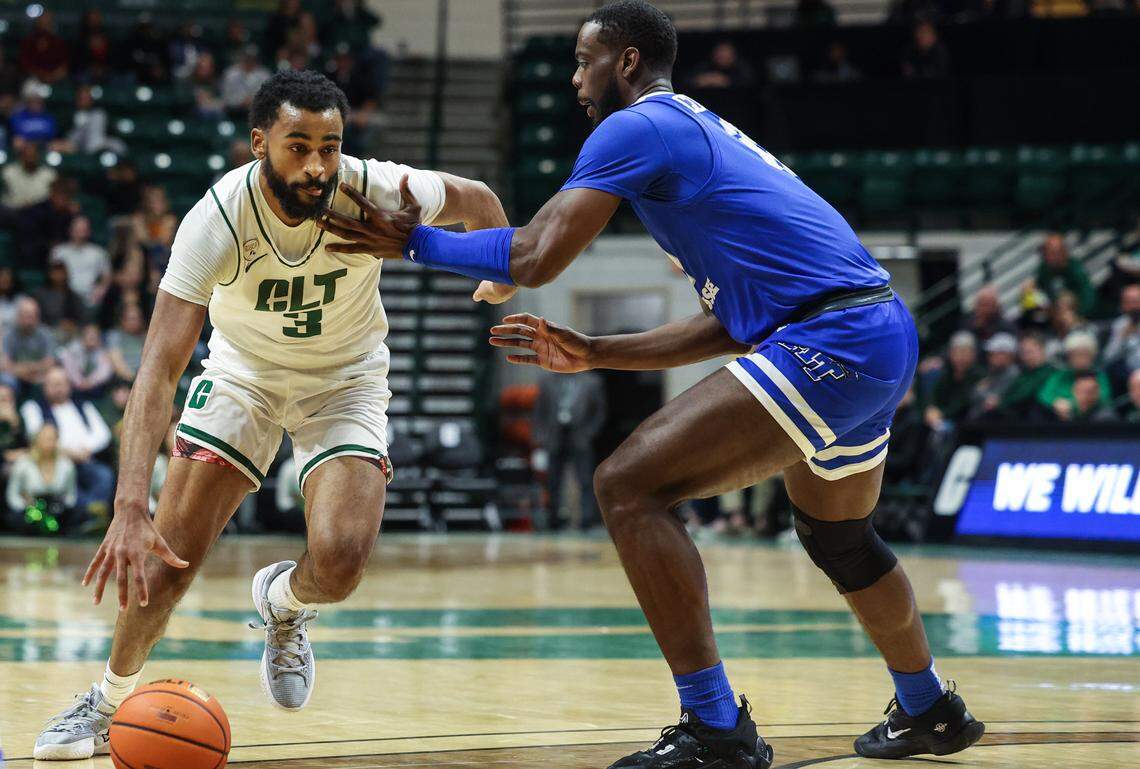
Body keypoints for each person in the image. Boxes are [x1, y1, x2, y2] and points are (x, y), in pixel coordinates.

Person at [336, 3, 983, 765]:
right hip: (873, 331)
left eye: (585, 61)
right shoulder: (688, 133)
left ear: (629, 61)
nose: (576, 79)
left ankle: (715, 729)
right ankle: (928, 704)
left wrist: (414, 241)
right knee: (839, 536)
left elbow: (537, 254)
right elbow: (738, 326)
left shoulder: (635, 128)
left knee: (628, 485)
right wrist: (595, 350)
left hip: (830, 338)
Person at [34, 69, 510, 760]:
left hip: (344, 379)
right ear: (260, 143)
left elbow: (480, 198)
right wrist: (129, 503)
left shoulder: (373, 187)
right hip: (243, 377)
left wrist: (496, 273)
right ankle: (106, 701)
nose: (317, 164)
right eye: (298, 146)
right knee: (166, 565)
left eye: (330, 145)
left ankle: (283, 603)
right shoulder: (217, 218)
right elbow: (158, 369)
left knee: (342, 562)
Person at [20, 366, 115, 518]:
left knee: (104, 475)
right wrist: (67, 452)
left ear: (69, 385)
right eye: (54, 384)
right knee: (68, 479)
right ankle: (88, 516)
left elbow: (103, 434)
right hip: (55, 461)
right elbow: (36, 435)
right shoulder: (33, 407)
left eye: (62, 383)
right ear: (44, 386)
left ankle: (91, 517)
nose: (58, 388)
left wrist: (86, 450)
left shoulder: (83, 406)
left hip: (85, 458)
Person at [533, 370, 607, 529]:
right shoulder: (546, 380)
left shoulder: (592, 381)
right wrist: (541, 437)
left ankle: (586, 519)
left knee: (585, 480)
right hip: (555, 436)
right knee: (553, 481)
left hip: (580, 436)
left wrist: (589, 433)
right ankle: (553, 519)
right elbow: (540, 411)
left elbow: (599, 412)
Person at [6, 424, 77, 532]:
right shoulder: (23, 463)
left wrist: (62, 507)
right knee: (15, 519)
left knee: (77, 515)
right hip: (29, 511)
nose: (49, 443)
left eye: (53, 439)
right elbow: (12, 495)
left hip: (58, 511)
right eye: (46, 439)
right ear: (36, 440)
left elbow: (71, 494)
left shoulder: (66, 465)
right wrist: (25, 507)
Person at [1037, 330, 1112, 421]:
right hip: (1058, 417)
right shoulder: (1059, 376)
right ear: (1068, 357)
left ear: (1092, 355)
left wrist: (1072, 404)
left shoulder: (1099, 376)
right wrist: (1055, 403)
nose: (1079, 359)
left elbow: (1104, 398)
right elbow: (1044, 395)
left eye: (1083, 354)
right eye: (1075, 355)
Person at [51, 217, 112, 310]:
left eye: (83, 230)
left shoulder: (99, 252)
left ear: (89, 232)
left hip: (90, 297)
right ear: (70, 230)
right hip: (64, 297)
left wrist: (101, 290)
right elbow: (53, 275)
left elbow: (107, 277)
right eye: (77, 229)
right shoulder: (59, 251)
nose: (79, 233)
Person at [1032, 232, 1096, 317]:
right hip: (1054, 317)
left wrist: (1075, 314)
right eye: (1044, 253)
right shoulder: (1043, 269)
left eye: (1050, 253)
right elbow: (1040, 291)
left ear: (1062, 253)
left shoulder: (1075, 269)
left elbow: (1088, 299)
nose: (1046, 257)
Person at [3, 297, 57, 396]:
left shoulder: (46, 334)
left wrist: (25, 368)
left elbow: (49, 363)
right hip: (15, 376)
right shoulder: (9, 335)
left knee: (54, 377)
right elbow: (5, 365)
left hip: (40, 375)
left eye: (32, 317)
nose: (29, 321)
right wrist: (28, 370)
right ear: (18, 317)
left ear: (37, 317)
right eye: (25, 316)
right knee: (6, 379)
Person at [997, 332, 1055, 421]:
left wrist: (1001, 403)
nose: (1027, 357)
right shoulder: (1022, 374)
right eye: (1023, 353)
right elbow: (1008, 395)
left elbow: (1024, 395)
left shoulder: (1051, 372)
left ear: (1043, 350)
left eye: (1030, 352)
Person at [967, 332, 1019, 420]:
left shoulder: (1013, 374)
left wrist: (981, 390)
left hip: (997, 423)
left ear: (1009, 355)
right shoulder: (991, 372)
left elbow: (994, 400)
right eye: (991, 354)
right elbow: (972, 395)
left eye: (996, 353)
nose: (991, 357)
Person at [60, 324, 115, 401]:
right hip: (74, 387)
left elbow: (105, 372)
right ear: (82, 337)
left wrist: (90, 382)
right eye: (89, 335)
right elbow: (69, 368)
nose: (92, 337)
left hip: (95, 388)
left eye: (95, 335)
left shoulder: (103, 353)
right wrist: (79, 382)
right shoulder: (72, 350)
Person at [1, 141, 57, 210]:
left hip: (39, 214)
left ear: (38, 156)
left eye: (33, 156)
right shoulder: (8, 172)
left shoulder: (49, 174)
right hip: (12, 211)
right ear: (21, 156)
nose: (30, 159)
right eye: (27, 156)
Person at [1103, 283, 1140, 379]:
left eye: (1136, 301)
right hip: (1130, 375)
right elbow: (1108, 357)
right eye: (1129, 302)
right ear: (1123, 305)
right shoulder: (1120, 324)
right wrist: (1123, 337)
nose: (1133, 307)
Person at [106, 303, 147, 384]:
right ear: (123, 320)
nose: (136, 321)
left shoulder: (146, 336)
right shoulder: (115, 336)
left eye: (138, 318)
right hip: (124, 382)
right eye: (132, 319)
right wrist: (135, 380)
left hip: (144, 380)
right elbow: (117, 363)